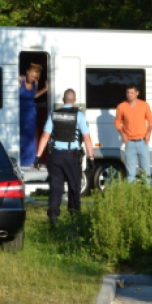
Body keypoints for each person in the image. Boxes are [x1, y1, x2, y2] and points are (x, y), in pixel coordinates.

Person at [34, 89, 94, 228]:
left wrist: (38, 156)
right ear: (74, 100)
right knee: (74, 187)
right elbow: (87, 138)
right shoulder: (79, 116)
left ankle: (53, 216)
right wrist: (91, 157)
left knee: (56, 188)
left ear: (63, 99)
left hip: (55, 156)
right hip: (72, 156)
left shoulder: (54, 114)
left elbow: (45, 136)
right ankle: (75, 216)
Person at [115, 84, 152, 185]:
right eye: (128, 93)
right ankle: (131, 197)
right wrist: (122, 134)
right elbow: (117, 122)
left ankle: (147, 194)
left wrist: (149, 132)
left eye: (132, 93)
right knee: (131, 173)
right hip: (129, 143)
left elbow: (150, 120)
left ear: (137, 93)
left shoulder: (144, 105)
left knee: (146, 171)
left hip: (142, 142)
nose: (129, 95)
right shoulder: (121, 106)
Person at [19, 63, 48, 166]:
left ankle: (30, 161)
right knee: (22, 135)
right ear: (27, 72)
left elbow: (34, 95)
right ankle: (20, 160)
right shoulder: (19, 79)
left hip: (31, 112)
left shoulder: (35, 82)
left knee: (30, 136)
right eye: (32, 76)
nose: (33, 78)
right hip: (20, 111)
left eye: (35, 77)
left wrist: (45, 89)